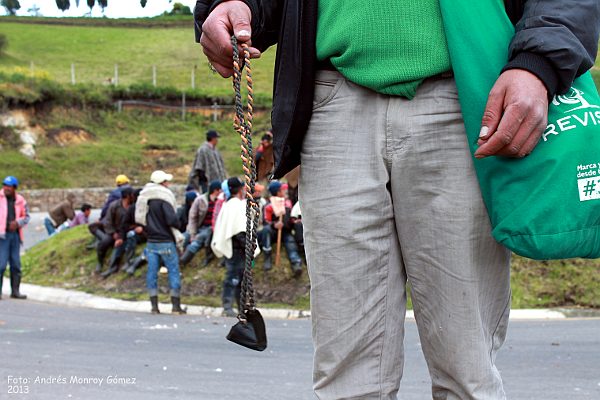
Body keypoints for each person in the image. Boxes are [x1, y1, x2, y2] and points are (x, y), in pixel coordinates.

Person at [197, 1, 599, 398]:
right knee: (347, 381)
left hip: (465, 98)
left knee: (467, 372)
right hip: (332, 101)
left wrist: (538, 61)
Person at [136, 170, 186, 315]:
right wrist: (178, 223)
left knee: (152, 273)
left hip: (151, 242)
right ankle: (175, 306)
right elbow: (172, 220)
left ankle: (154, 306)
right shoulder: (164, 199)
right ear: (162, 183)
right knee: (173, 272)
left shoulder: (145, 198)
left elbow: (141, 219)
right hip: (166, 242)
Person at [211, 177, 259, 317]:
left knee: (240, 279)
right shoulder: (235, 205)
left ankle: (240, 306)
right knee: (233, 278)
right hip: (237, 247)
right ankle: (228, 306)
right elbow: (239, 230)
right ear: (239, 189)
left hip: (236, 246)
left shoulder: (229, 205)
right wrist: (248, 245)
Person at [260, 181, 302, 276]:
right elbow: (265, 221)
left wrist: (293, 221)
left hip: (285, 231)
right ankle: (267, 257)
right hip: (273, 232)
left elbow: (290, 218)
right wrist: (274, 225)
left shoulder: (287, 203)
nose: (285, 191)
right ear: (278, 192)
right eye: (282, 189)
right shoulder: (268, 205)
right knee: (266, 230)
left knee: (290, 242)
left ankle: (296, 262)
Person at [0, 176, 30, 300]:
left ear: (14, 188)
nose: (6, 188)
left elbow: (27, 216)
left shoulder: (21, 200)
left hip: (15, 236)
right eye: (5, 185)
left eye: (9, 186)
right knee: (1, 265)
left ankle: (15, 291)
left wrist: (17, 223)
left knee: (16, 264)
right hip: (2, 236)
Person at [180, 180, 222, 266]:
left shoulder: (220, 201)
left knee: (197, 241)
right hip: (198, 226)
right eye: (220, 190)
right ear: (215, 190)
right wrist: (192, 233)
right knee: (182, 238)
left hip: (210, 228)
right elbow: (192, 217)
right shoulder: (200, 200)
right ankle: (169, 261)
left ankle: (182, 262)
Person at [96, 187, 135, 278]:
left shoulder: (133, 206)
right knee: (104, 243)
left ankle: (114, 266)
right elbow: (108, 221)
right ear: (128, 196)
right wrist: (113, 233)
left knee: (120, 245)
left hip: (127, 231)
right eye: (132, 195)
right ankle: (100, 263)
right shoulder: (114, 206)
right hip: (114, 231)